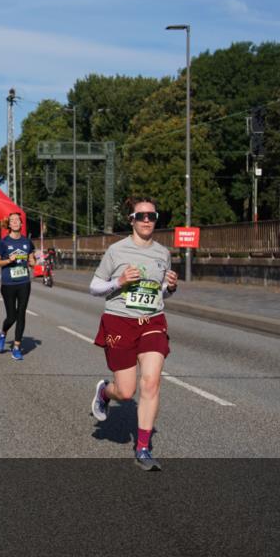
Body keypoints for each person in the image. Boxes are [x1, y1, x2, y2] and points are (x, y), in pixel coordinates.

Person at [90, 197, 178, 472]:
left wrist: (170, 287)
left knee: (150, 383)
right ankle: (105, 392)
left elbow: (158, 290)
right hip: (119, 321)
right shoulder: (116, 251)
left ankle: (142, 447)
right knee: (126, 392)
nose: (147, 220)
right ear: (131, 220)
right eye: (141, 216)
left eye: (152, 216)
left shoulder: (163, 253)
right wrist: (119, 281)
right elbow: (94, 286)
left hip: (152, 320)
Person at [0, 213, 35, 361]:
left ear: (21, 224)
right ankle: (3, 332)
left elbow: (31, 259)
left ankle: (17, 347)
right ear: (9, 225)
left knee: (21, 314)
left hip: (24, 282)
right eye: (12, 220)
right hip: (8, 284)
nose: (15, 222)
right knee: (12, 316)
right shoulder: (4, 243)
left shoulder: (27, 242)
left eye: (18, 220)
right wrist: (8, 260)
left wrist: (35, 262)